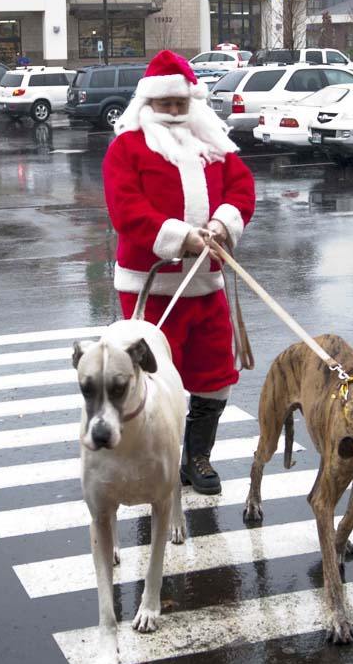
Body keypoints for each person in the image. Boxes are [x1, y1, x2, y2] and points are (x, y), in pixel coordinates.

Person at [102, 50, 256, 495]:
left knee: (213, 376)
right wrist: (180, 237)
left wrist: (220, 224)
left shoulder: (214, 146)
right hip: (149, 289)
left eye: (180, 104)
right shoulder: (126, 148)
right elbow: (126, 209)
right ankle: (151, 460)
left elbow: (242, 188)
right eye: (164, 104)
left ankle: (196, 458)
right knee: (149, 383)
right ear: (147, 104)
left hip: (206, 285)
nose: (172, 112)